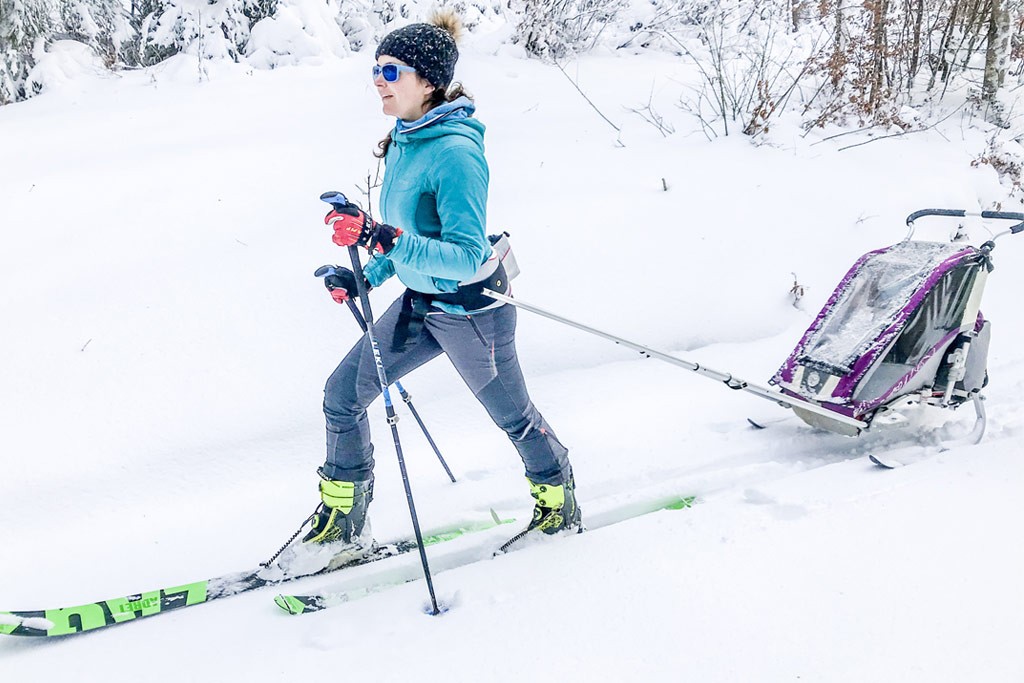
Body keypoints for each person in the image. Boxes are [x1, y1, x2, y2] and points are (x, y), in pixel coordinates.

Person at [300, 11, 581, 559]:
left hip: (473, 312)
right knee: (341, 396)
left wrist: (380, 235)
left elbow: (464, 253)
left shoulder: (455, 153)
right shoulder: (406, 137)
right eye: (375, 68)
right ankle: (344, 523)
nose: (377, 79)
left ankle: (557, 501)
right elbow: (412, 239)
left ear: (427, 81)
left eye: (390, 70)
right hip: (421, 302)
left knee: (515, 420)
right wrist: (364, 276)